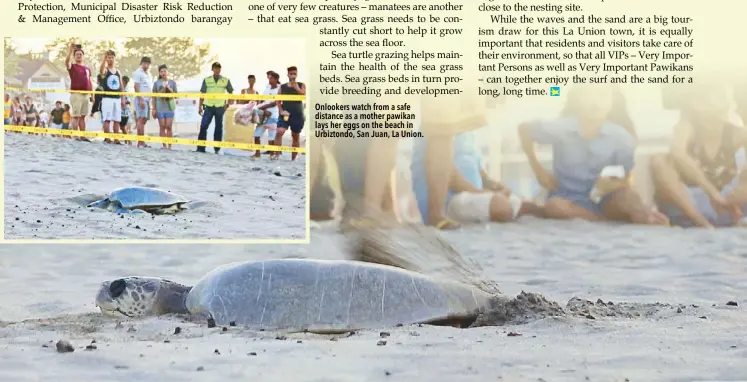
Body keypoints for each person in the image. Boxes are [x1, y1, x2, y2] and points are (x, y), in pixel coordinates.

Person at [517, 83, 667, 225]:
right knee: (554, 206)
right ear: (579, 99)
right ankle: (600, 221)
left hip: (605, 199)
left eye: (602, 96)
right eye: (589, 95)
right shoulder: (562, 127)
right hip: (567, 199)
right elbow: (524, 129)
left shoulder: (621, 136)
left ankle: (648, 220)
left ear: (611, 102)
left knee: (628, 196)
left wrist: (609, 186)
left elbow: (627, 180)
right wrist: (538, 169)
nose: (595, 103)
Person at [650, 81, 747, 228]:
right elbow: (677, 152)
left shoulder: (736, 132)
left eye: (731, 97)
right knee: (660, 161)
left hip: (728, 203)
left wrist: (743, 189)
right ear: (698, 104)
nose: (730, 103)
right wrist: (712, 192)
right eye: (722, 97)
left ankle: (737, 218)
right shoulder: (686, 126)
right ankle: (702, 223)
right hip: (691, 204)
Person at [412, 126, 545, 226]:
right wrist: (482, 193)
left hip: (472, 195)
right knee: (501, 206)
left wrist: (493, 186)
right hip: (451, 200)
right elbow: (452, 179)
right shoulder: (439, 126)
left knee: (530, 207)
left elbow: (481, 173)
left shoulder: (469, 133)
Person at [197, 62, 234, 154]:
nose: (217, 70)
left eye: (219, 68)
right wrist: (200, 106)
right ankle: (201, 148)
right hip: (208, 106)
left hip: (220, 107)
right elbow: (202, 93)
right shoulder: (207, 80)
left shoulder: (225, 80)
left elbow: (231, 92)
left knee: (218, 127)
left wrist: (228, 104)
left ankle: (217, 148)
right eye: (215, 68)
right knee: (203, 126)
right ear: (212, 69)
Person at [275, 66, 306, 161]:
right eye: (291, 73)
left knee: (295, 136)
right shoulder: (282, 87)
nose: (293, 75)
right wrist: (281, 111)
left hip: (298, 114)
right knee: (280, 131)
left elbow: (303, 95)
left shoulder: (301, 85)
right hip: (285, 113)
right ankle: (276, 155)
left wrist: (296, 87)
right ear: (288, 74)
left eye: (294, 74)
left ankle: (293, 158)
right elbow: (278, 100)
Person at [65, 41, 93, 141]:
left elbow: (90, 81)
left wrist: (92, 95)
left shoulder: (87, 69)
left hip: (86, 95)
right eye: (77, 54)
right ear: (74, 56)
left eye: (80, 54)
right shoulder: (73, 66)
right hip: (76, 94)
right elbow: (66, 62)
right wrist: (70, 51)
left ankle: (83, 135)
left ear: (83, 56)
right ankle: (75, 135)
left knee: (83, 117)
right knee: (76, 116)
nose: (79, 56)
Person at [98, 50, 125, 144]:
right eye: (109, 57)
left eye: (112, 57)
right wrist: (103, 60)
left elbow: (121, 86)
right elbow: (101, 71)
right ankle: (107, 138)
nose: (110, 59)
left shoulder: (118, 72)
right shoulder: (105, 70)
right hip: (107, 98)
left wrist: (123, 99)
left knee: (117, 119)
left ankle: (116, 138)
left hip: (117, 98)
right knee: (107, 119)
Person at [253, 71, 280, 158]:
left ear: (276, 79)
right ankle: (257, 153)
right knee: (256, 135)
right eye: (268, 77)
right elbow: (263, 99)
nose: (269, 79)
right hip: (263, 114)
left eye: (271, 78)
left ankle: (272, 154)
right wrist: (260, 106)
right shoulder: (267, 87)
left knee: (271, 137)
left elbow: (275, 103)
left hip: (273, 115)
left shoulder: (279, 89)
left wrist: (263, 107)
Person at [152, 64, 177, 149]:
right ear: (159, 73)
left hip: (169, 107)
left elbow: (176, 95)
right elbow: (154, 97)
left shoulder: (172, 83)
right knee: (162, 126)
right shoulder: (156, 83)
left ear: (167, 72)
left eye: (164, 71)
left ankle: (170, 145)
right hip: (160, 107)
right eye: (161, 71)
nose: (163, 73)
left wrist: (169, 88)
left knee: (169, 126)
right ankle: (164, 145)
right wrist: (154, 109)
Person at [132, 56, 153, 148]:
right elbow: (136, 86)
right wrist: (140, 99)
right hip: (141, 99)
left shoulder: (148, 73)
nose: (147, 65)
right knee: (140, 119)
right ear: (142, 63)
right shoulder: (138, 73)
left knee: (144, 120)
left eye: (148, 64)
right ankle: (140, 141)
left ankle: (142, 140)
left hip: (147, 99)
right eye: (145, 63)